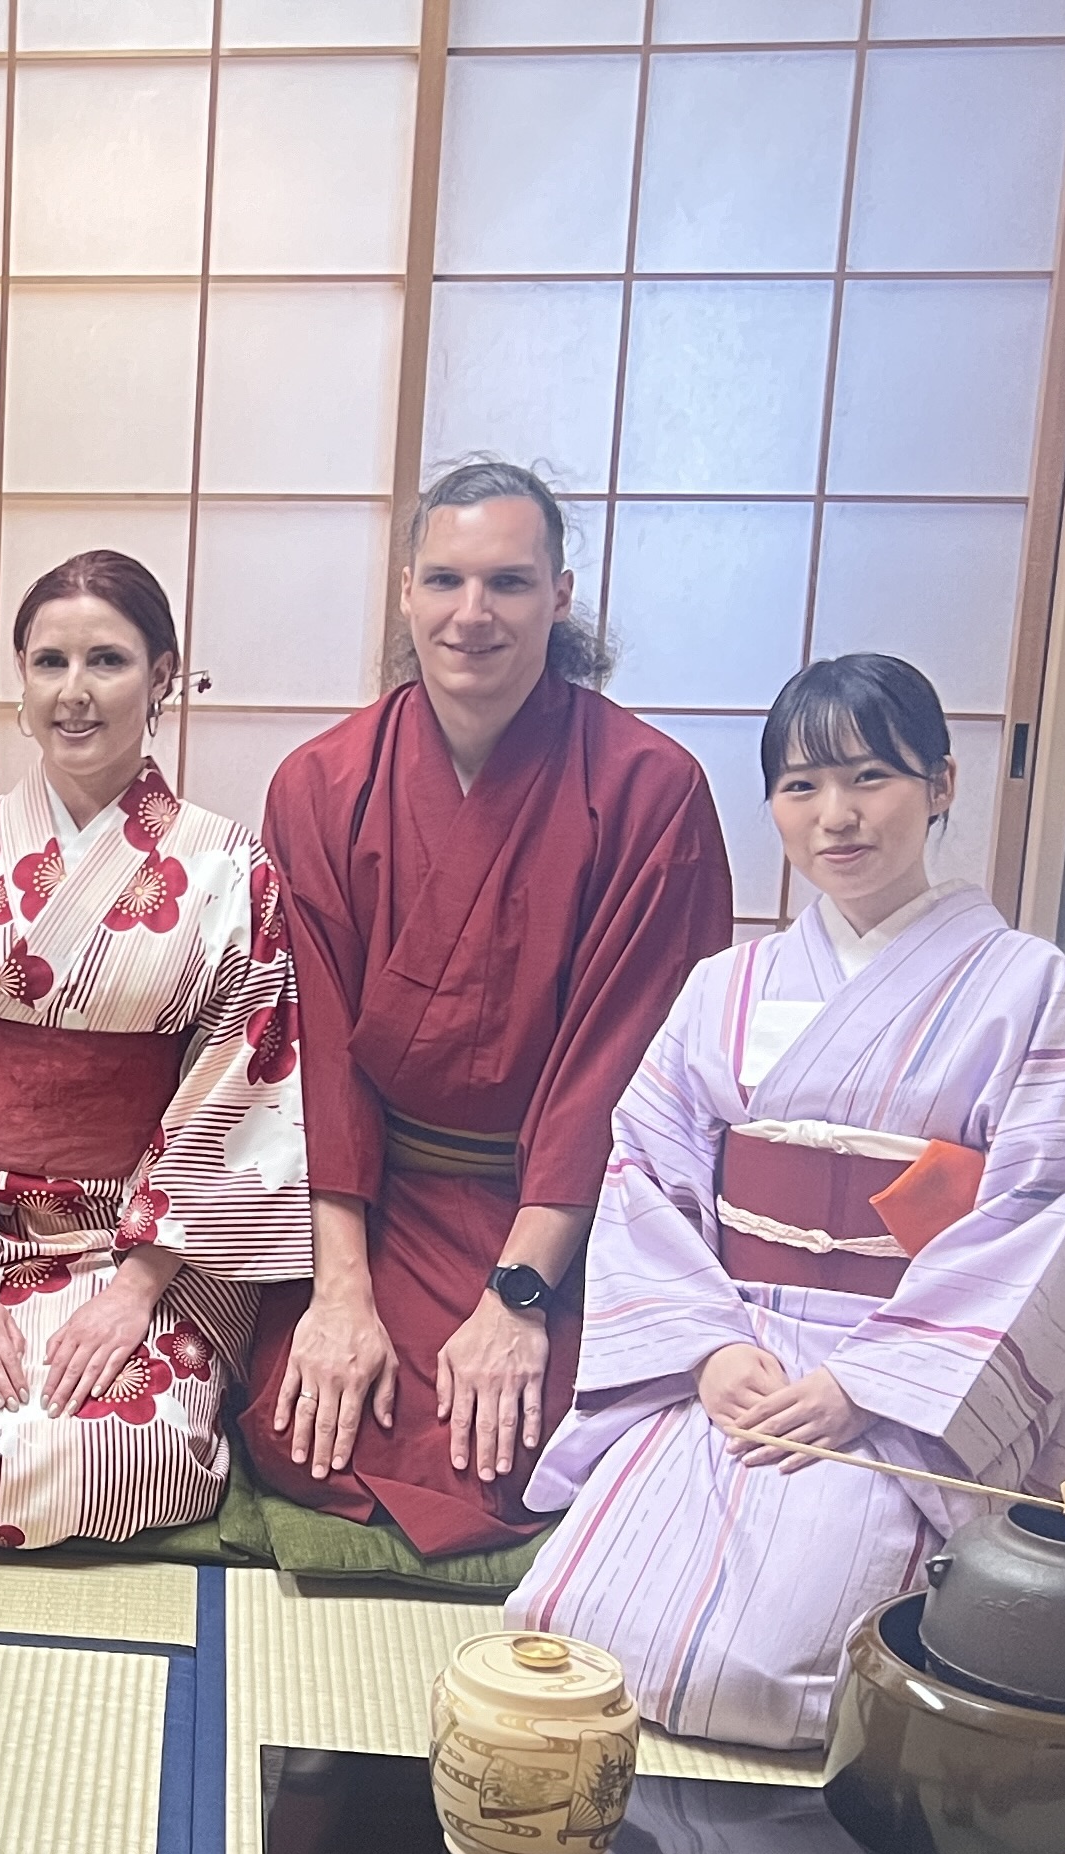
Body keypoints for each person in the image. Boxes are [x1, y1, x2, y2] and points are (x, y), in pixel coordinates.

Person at [506, 654, 1065, 1748]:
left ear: (941, 783)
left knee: (760, 1668)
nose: (836, 815)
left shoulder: (1026, 986)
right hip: (735, 1350)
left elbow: (1042, 1207)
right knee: (568, 1622)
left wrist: (863, 1386)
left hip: (897, 1381)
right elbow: (646, 1175)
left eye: (870, 777)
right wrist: (705, 1352)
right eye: (801, 786)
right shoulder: (726, 987)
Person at [243, 458, 732, 1560]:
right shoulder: (321, 786)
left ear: (560, 596)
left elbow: (621, 1067)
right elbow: (312, 1056)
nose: (473, 614)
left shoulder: (650, 792)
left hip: (562, 1210)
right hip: (378, 1200)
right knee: (303, 1424)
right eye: (446, 581)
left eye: (509, 583)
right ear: (405, 593)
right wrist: (340, 1293)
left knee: (533, 1447)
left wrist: (518, 1299)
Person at [0, 553, 313, 1547]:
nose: (74, 692)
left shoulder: (227, 866)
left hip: (144, 1245)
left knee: (116, 1453)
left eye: (107, 661)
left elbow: (239, 1081)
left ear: (162, 676)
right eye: (50, 662)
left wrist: (135, 1291)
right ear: (21, 678)